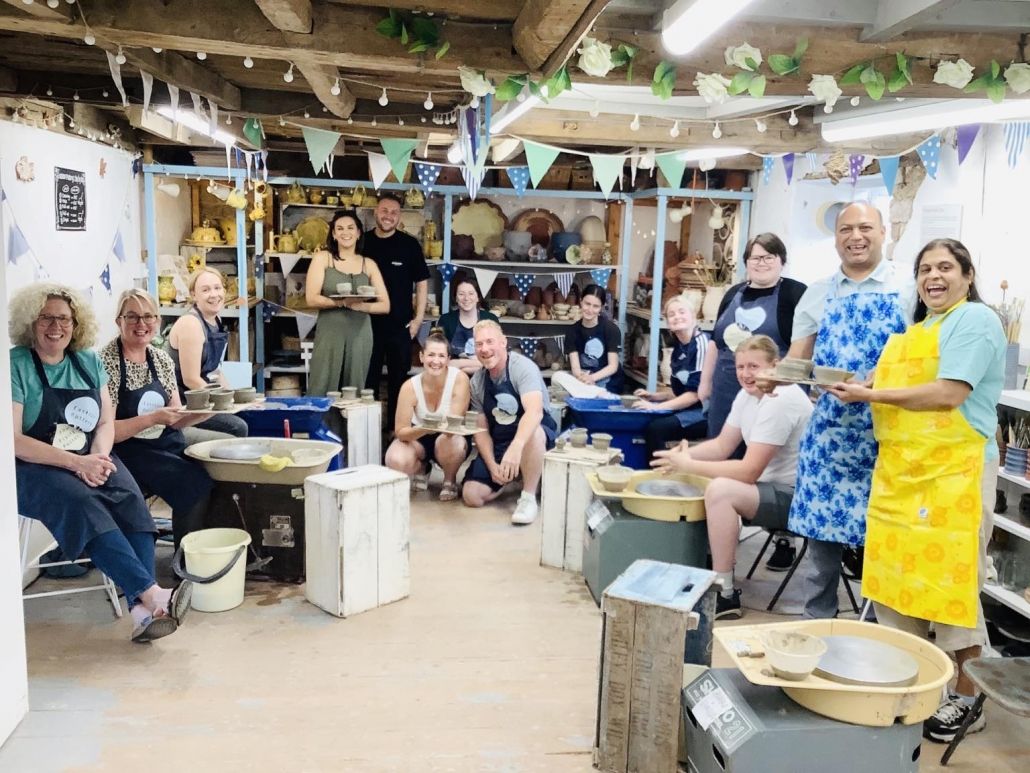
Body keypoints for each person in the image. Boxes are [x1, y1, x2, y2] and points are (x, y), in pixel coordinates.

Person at [826, 238, 1005, 743]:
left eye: (945, 267)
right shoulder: (917, 331)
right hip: (902, 478)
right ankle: (916, 684)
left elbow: (949, 393)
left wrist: (871, 393)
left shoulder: (975, 321)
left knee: (952, 595)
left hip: (956, 478)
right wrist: (852, 386)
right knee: (896, 589)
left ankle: (970, 701)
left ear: (968, 275)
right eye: (925, 268)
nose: (934, 277)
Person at [10, 282, 191, 643]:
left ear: (76, 325)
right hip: (33, 465)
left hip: (90, 455)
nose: (55, 326)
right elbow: (13, 440)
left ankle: (141, 610)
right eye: (46, 317)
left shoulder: (88, 361)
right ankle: (151, 593)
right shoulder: (15, 364)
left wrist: (101, 456)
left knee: (127, 495)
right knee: (83, 501)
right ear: (31, 320)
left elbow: (105, 422)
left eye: (64, 318)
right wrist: (76, 465)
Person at [779, 202, 915, 619]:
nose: (855, 237)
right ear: (835, 237)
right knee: (822, 539)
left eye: (865, 228)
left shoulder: (906, 288)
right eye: (846, 230)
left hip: (887, 432)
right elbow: (798, 360)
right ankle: (816, 622)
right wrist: (773, 376)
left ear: (884, 231)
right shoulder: (819, 292)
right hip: (832, 433)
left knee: (884, 534)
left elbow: (922, 357)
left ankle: (876, 626)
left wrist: (880, 381)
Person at [652, 335, 812, 619]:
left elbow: (749, 471)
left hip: (798, 499)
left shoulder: (781, 399)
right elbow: (723, 446)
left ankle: (724, 592)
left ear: (776, 365)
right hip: (769, 488)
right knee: (702, 481)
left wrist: (688, 465)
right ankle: (704, 566)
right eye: (740, 367)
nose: (746, 374)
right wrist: (682, 455)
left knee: (721, 490)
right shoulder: (747, 395)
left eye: (754, 366)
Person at [699, 233, 807, 571]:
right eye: (754, 257)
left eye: (768, 257)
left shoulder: (794, 293)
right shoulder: (733, 293)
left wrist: (778, 379)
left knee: (769, 462)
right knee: (722, 452)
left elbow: (804, 345)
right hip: (731, 387)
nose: (760, 263)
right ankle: (715, 539)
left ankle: (783, 541)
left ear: (781, 260)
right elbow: (716, 341)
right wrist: (705, 381)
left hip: (773, 387)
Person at [99, 289, 214, 550]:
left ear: (158, 322)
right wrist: (152, 418)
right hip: (127, 448)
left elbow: (174, 417)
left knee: (216, 460)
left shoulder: (160, 358)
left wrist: (203, 412)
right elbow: (107, 431)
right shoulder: (107, 361)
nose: (141, 324)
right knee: (192, 482)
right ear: (119, 321)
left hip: (163, 439)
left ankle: (203, 548)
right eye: (132, 317)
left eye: (148, 317)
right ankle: (185, 560)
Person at [462, 320, 558, 525]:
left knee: (534, 433)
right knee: (472, 495)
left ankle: (528, 497)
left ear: (503, 342)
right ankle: (511, 479)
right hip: (501, 439)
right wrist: (492, 464)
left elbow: (534, 412)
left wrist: (516, 448)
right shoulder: (477, 381)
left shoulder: (522, 368)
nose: (485, 349)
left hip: (533, 437)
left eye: (490, 342)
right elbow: (481, 429)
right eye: (479, 344)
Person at [362, 194, 431, 427]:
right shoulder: (362, 242)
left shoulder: (409, 245)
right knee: (366, 383)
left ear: (399, 215)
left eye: (393, 212)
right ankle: (366, 431)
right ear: (375, 212)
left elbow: (422, 283)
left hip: (400, 327)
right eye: (384, 211)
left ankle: (396, 433)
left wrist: (418, 320)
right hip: (365, 326)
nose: (388, 216)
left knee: (399, 384)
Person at [305, 209, 390, 396]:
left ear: (359, 233)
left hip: (360, 333)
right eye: (340, 228)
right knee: (322, 384)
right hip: (330, 331)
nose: (346, 232)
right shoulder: (323, 258)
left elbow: (385, 305)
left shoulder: (368, 264)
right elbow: (311, 298)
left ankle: (350, 426)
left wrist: (358, 305)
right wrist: (341, 303)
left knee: (355, 388)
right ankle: (320, 424)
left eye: (351, 228)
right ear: (334, 234)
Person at [385, 331, 472, 501]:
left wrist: (433, 427)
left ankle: (449, 480)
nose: (436, 361)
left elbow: (454, 424)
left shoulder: (459, 379)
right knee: (394, 458)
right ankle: (422, 468)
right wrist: (424, 428)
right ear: (421, 356)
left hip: (449, 436)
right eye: (431, 355)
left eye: (441, 356)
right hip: (419, 437)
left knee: (453, 443)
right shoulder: (409, 387)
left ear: (448, 359)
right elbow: (401, 431)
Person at [167, 266, 249, 440]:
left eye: (217, 288)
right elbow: (191, 379)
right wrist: (223, 402)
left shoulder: (215, 320)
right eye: (205, 290)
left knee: (247, 416)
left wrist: (235, 398)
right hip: (182, 402)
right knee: (237, 427)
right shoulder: (191, 324)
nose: (214, 294)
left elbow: (215, 371)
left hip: (201, 396)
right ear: (193, 295)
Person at [634, 294, 714, 461]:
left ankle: (659, 475)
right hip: (690, 407)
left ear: (693, 316)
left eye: (681, 312)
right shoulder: (678, 348)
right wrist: (657, 396)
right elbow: (682, 392)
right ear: (668, 322)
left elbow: (695, 395)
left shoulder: (701, 344)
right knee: (643, 420)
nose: (677, 317)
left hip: (706, 413)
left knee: (656, 428)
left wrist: (655, 407)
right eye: (672, 314)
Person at [564, 284, 624, 393]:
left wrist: (592, 378)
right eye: (587, 304)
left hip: (608, 382)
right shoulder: (572, 331)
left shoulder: (611, 329)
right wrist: (582, 377)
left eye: (595, 306)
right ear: (581, 301)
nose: (590, 309)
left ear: (601, 307)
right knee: (558, 376)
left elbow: (613, 366)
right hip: (583, 379)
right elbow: (575, 367)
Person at [437, 278, 499, 376]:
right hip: (452, 377)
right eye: (461, 294)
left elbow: (495, 358)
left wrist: (460, 364)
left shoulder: (490, 319)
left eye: (471, 293)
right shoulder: (446, 320)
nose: (466, 298)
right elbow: (438, 353)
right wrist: (479, 364)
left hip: (485, 377)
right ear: (456, 298)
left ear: (478, 297)